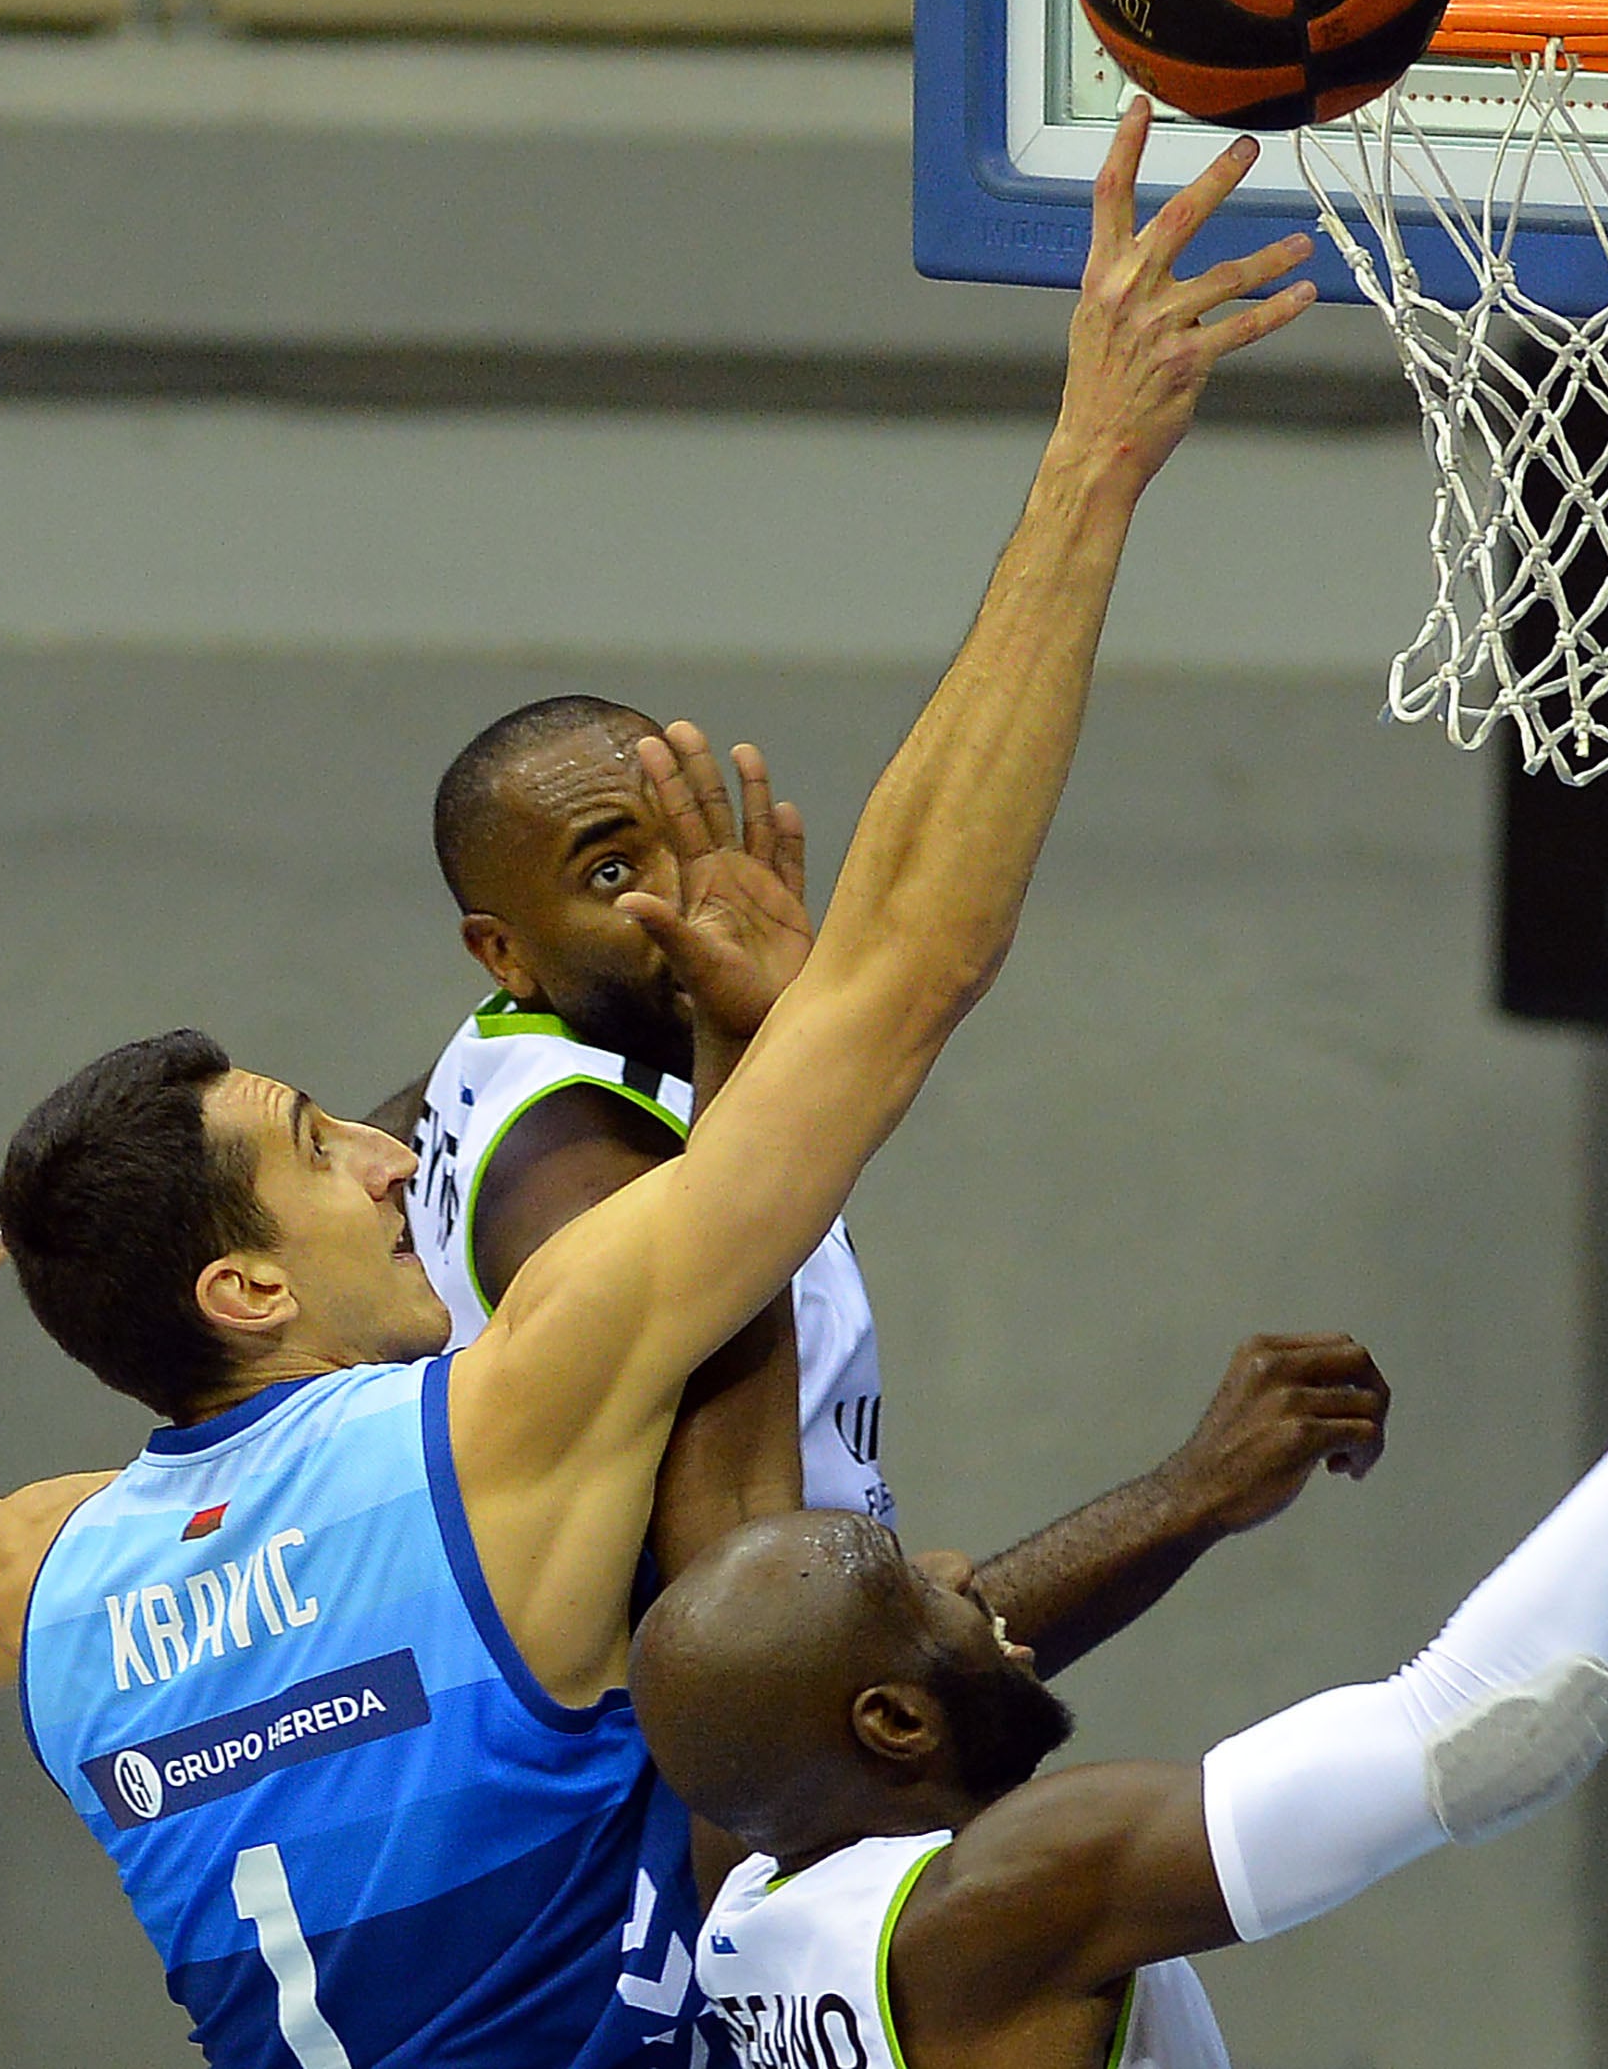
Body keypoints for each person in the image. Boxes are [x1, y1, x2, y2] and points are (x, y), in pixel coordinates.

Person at [0, 107, 1326, 2069]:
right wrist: (1094, 458)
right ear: (243, 1288)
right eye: (320, 1153)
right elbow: (911, 974)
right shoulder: (482, 1442)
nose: (392, 1161)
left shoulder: (60, 1583)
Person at [637, 1021, 1608, 2069]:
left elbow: (766, 1542)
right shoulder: (1007, 1897)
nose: (965, 1566)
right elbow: (1494, 1728)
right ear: (894, 1726)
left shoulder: (741, 1876)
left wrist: (740, 1053)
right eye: (914, 1582)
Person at [392, 703, 1347, 1676]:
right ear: (502, 949)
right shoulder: (600, 1176)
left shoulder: (499, 1051)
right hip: (705, 1794)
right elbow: (782, 1681)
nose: (687, 898)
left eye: (684, 839)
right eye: (610, 872)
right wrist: (1189, 1497)